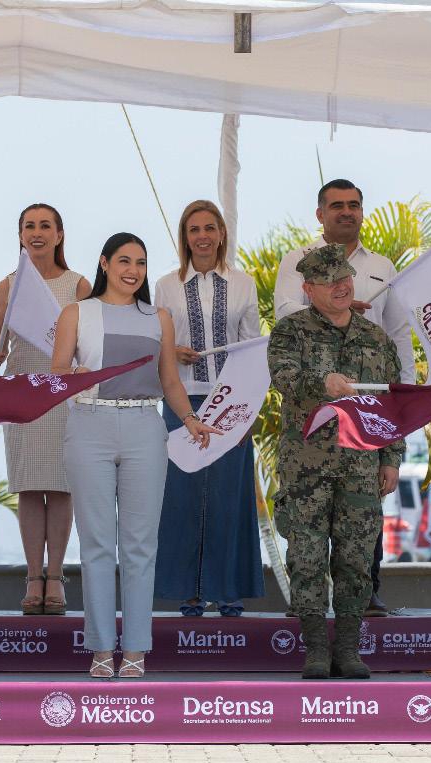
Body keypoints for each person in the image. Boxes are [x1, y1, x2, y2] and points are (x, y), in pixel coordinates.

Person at [51, 232, 221, 679]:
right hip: (89, 426)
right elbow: (57, 373)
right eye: (124, 261)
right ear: (104, 263)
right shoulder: (76, 313)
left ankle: (136, 648)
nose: (133, 270)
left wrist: (190, 419)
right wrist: (74, 372)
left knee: (141, 545)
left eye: (141, 263)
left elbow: (170, 380)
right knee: (96, 543)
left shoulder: (158, 317)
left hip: (145, 427)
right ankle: (100, 647)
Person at [273, 178, 414, 616]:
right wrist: (335, 308)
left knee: (362, 526)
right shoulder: (297, 260)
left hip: (366, 420)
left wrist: (404, 395)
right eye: (337, 205)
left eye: (354, 205)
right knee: (308, 538)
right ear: (321, 214)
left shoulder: (383, 265)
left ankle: (365, 596)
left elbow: (398, 332)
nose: (346, 212)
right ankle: (310, 616)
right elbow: (285, 312)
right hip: (312, 430)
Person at [268, 244, 403, 680]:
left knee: (356, 560)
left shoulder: (376, 339)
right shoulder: (290, 332)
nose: (341, 287)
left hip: (361, 467)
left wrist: (392, 459)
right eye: (328, 282)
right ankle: (315, 650)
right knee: (306, 558)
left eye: (344, 278)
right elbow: (284, 377)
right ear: (308, 289)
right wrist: (320, 383)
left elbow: (391, 403)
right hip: (306, 467)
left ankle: (348, 648)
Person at [152, 199, 264, 617]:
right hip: (181, 399)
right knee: (181, 495)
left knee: (227, 496)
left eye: (209, 228)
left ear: (221, 234)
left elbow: (253, 348)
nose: (202, 236)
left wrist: (249, 409)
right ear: (185, 237)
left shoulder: (243, 283)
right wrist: (172, 351)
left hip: (231, 400)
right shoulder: (165, 285)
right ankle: (189, 592)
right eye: (194, 229)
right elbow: (155, 345)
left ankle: (227, 590)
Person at [0, 204, 89, 615]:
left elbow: (88, 346)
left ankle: (56, 577)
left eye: (46, 225)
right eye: (29, 226)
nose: (37, 232)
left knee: (61, 486)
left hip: (63, 395)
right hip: (22, 392)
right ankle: (32, 576)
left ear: (60, 235)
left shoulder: (79, 285)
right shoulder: (7, 286)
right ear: (20, 235)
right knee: (29, 486)